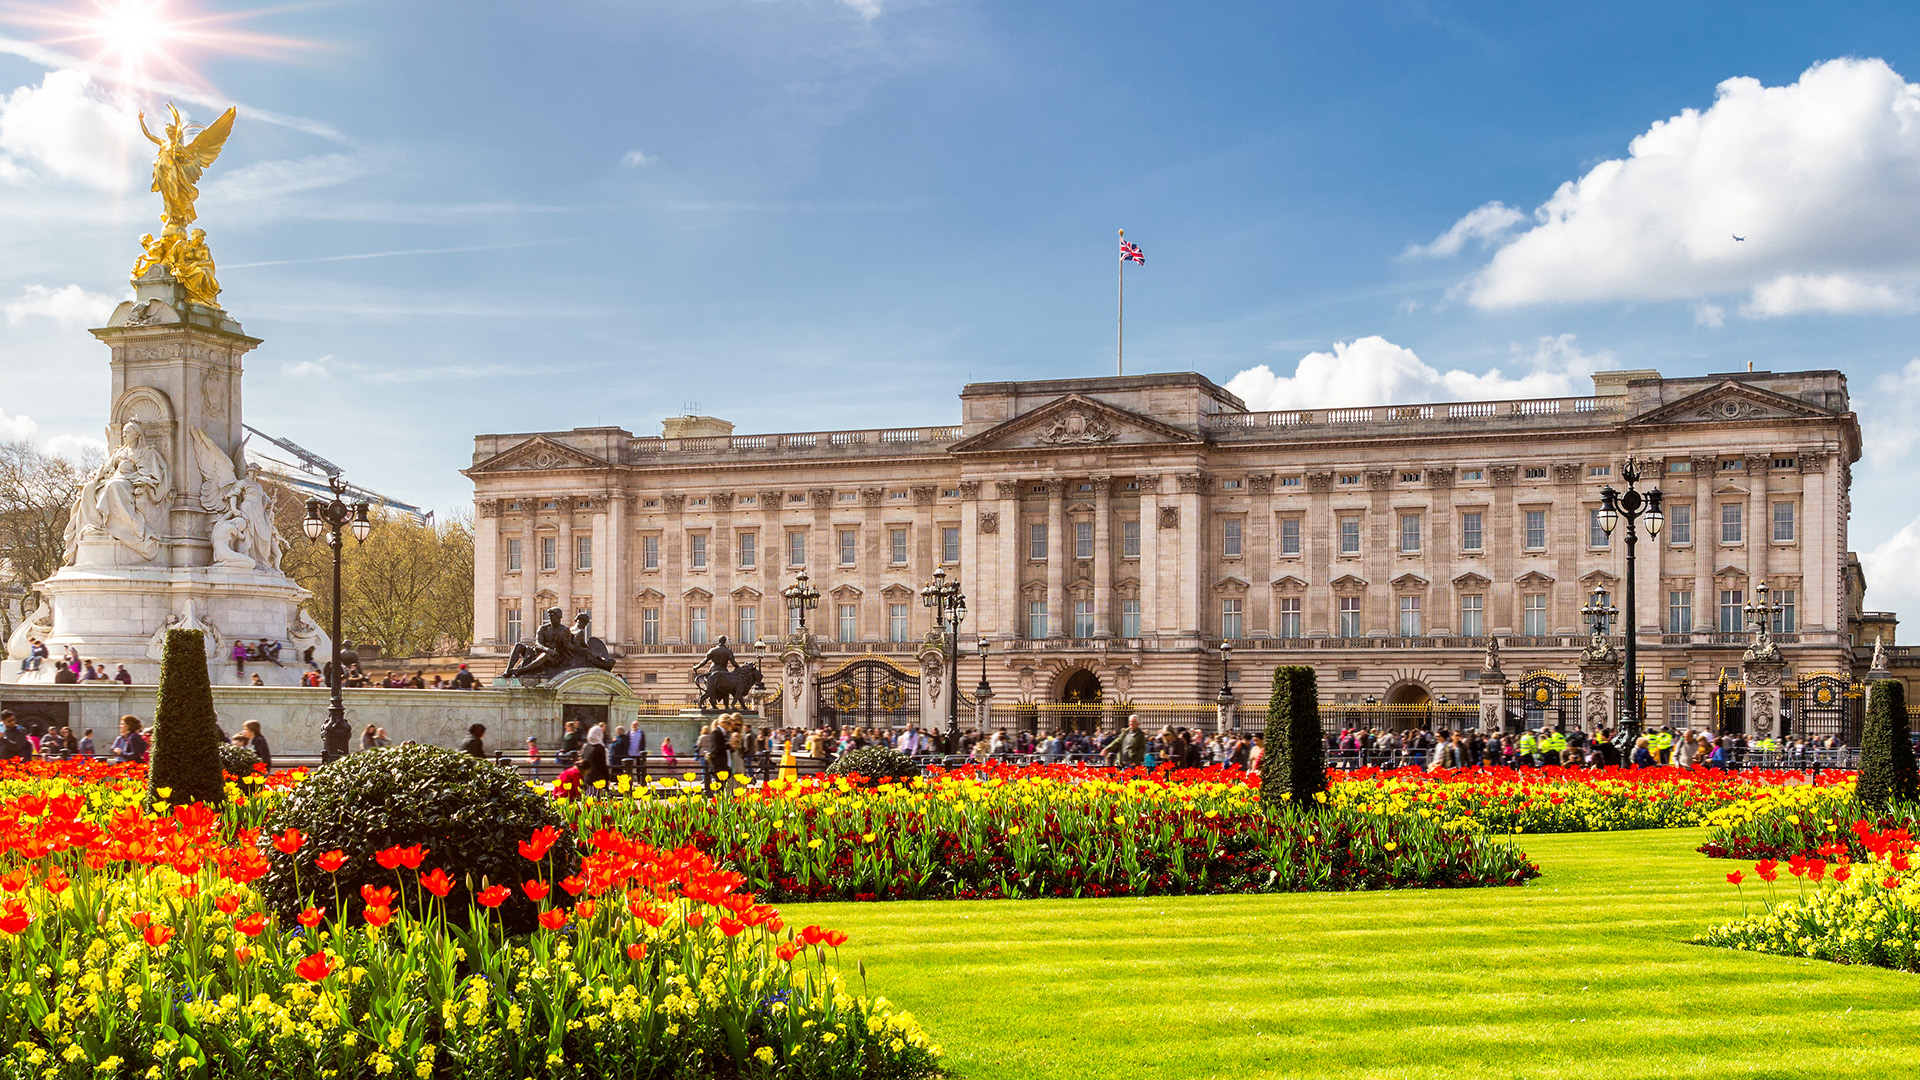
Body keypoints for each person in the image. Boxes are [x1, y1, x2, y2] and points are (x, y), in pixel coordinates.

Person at [580, 725, 610, 792]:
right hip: (597, 779)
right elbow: (603, 765)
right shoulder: (600, 747)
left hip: (587, 777)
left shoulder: (586, 746)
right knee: (595, 800)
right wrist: (607, 778)